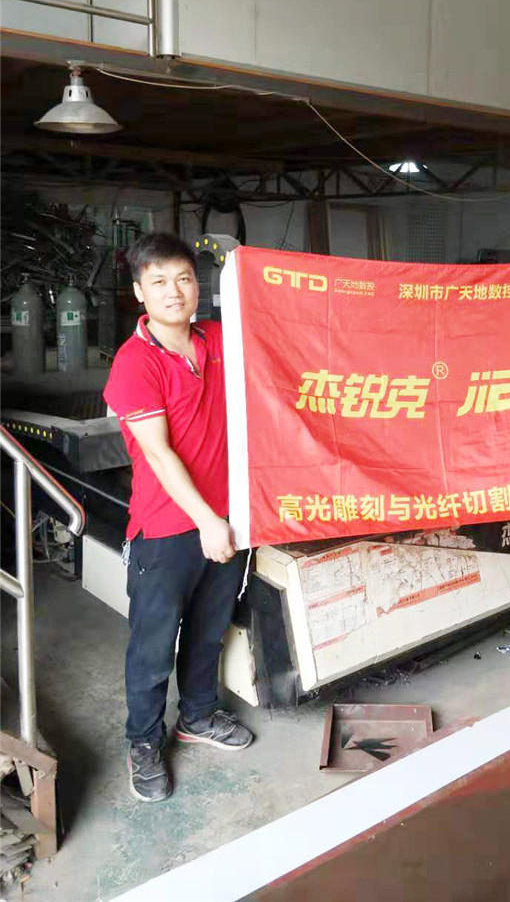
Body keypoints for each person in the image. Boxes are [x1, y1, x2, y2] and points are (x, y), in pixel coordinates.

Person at [104, 233, 253, 803]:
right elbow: (160, 455)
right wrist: (208, 522)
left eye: (184, 278)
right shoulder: (135, 362)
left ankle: (198, 715)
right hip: (166, 529)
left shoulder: (217, 339)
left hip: (227, 519)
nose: (175, 291)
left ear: (198, 284)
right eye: (160, 281)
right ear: (139, 292)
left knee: (210, 630)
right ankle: (144, 742)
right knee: (153, 646)